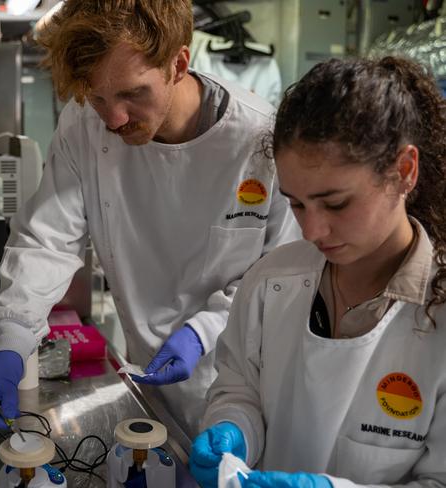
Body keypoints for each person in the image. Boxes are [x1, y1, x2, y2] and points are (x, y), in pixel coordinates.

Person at [0, 0, 299, 438]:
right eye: (97, 97)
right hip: (148, 383)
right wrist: (11, 339)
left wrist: (203, 331)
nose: (114, 119)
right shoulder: (84, 125)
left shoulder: (260, 141)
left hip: (245, 391)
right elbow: (45, 240)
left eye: (132, 94)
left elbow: (280, 275)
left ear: (179, 63)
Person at [190, 56, 446, 487]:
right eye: (296, 203)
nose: (312, 230)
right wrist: (234, 429)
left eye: (336, 203)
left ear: (404, 171)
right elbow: (240, 389)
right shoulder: (272, 282)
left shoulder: (439, 318)